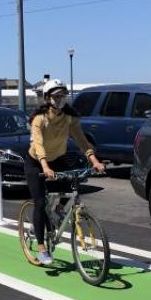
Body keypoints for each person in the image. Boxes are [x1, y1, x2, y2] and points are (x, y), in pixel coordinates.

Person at [25, 85, 105, 265]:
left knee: (70, 187)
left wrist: (95, 162)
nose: (60, 99)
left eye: (63, 96)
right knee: (39, 203)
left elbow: (82, 142)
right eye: (56, 96)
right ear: (47, 98)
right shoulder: (40, 119)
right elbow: (38, 145)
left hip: (57, 160)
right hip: (36, 162)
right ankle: (42, 249)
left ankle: (58, 212)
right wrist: (44, 165)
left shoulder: (70, 119)